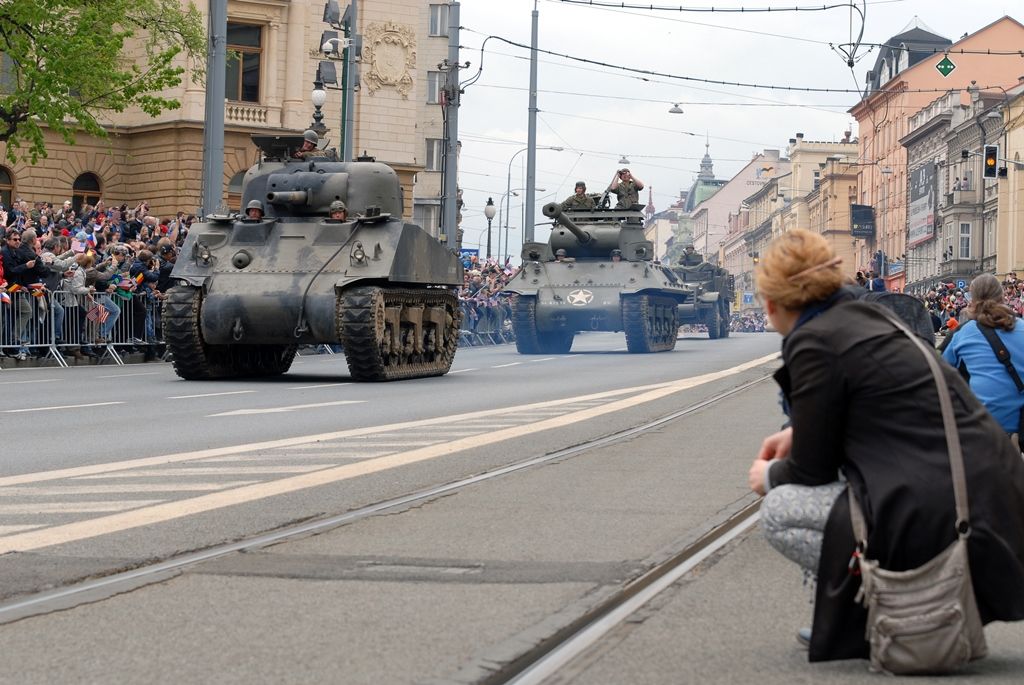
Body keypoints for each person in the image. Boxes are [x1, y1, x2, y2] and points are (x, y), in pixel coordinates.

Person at [746, 228, 1024, 662]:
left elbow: (810, 472)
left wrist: (768, 475)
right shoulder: (868, 316)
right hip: (993, 502)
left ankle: (893, 610)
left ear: (773, 301)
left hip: (953, 517)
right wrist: (800, 430)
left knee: (780, 510)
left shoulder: (813, 340)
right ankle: (885, 604)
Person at [942, 273, 1024, 439]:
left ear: (971, 299)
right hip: (1021, 424)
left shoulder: (964, 333)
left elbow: (940, 373)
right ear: (1002, 296)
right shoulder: (1022, 327)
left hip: (985, 426)